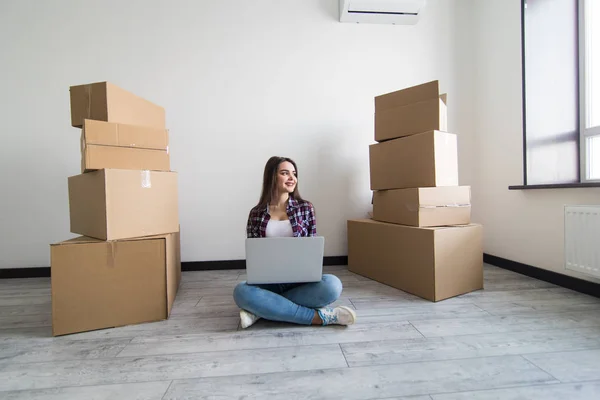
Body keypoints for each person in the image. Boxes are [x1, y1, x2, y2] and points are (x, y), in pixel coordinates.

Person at [233, 156, 357, 329]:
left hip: (300, 280)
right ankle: (318, 317)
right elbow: (254, 253)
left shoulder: (305, 208)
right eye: (285, 173)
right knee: (241, 292)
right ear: (272, 177)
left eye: (294, 173)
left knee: (333, 285)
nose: (292, 178)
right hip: (268, 282)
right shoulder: (256, 213)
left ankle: (260, 310)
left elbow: (312, 246)